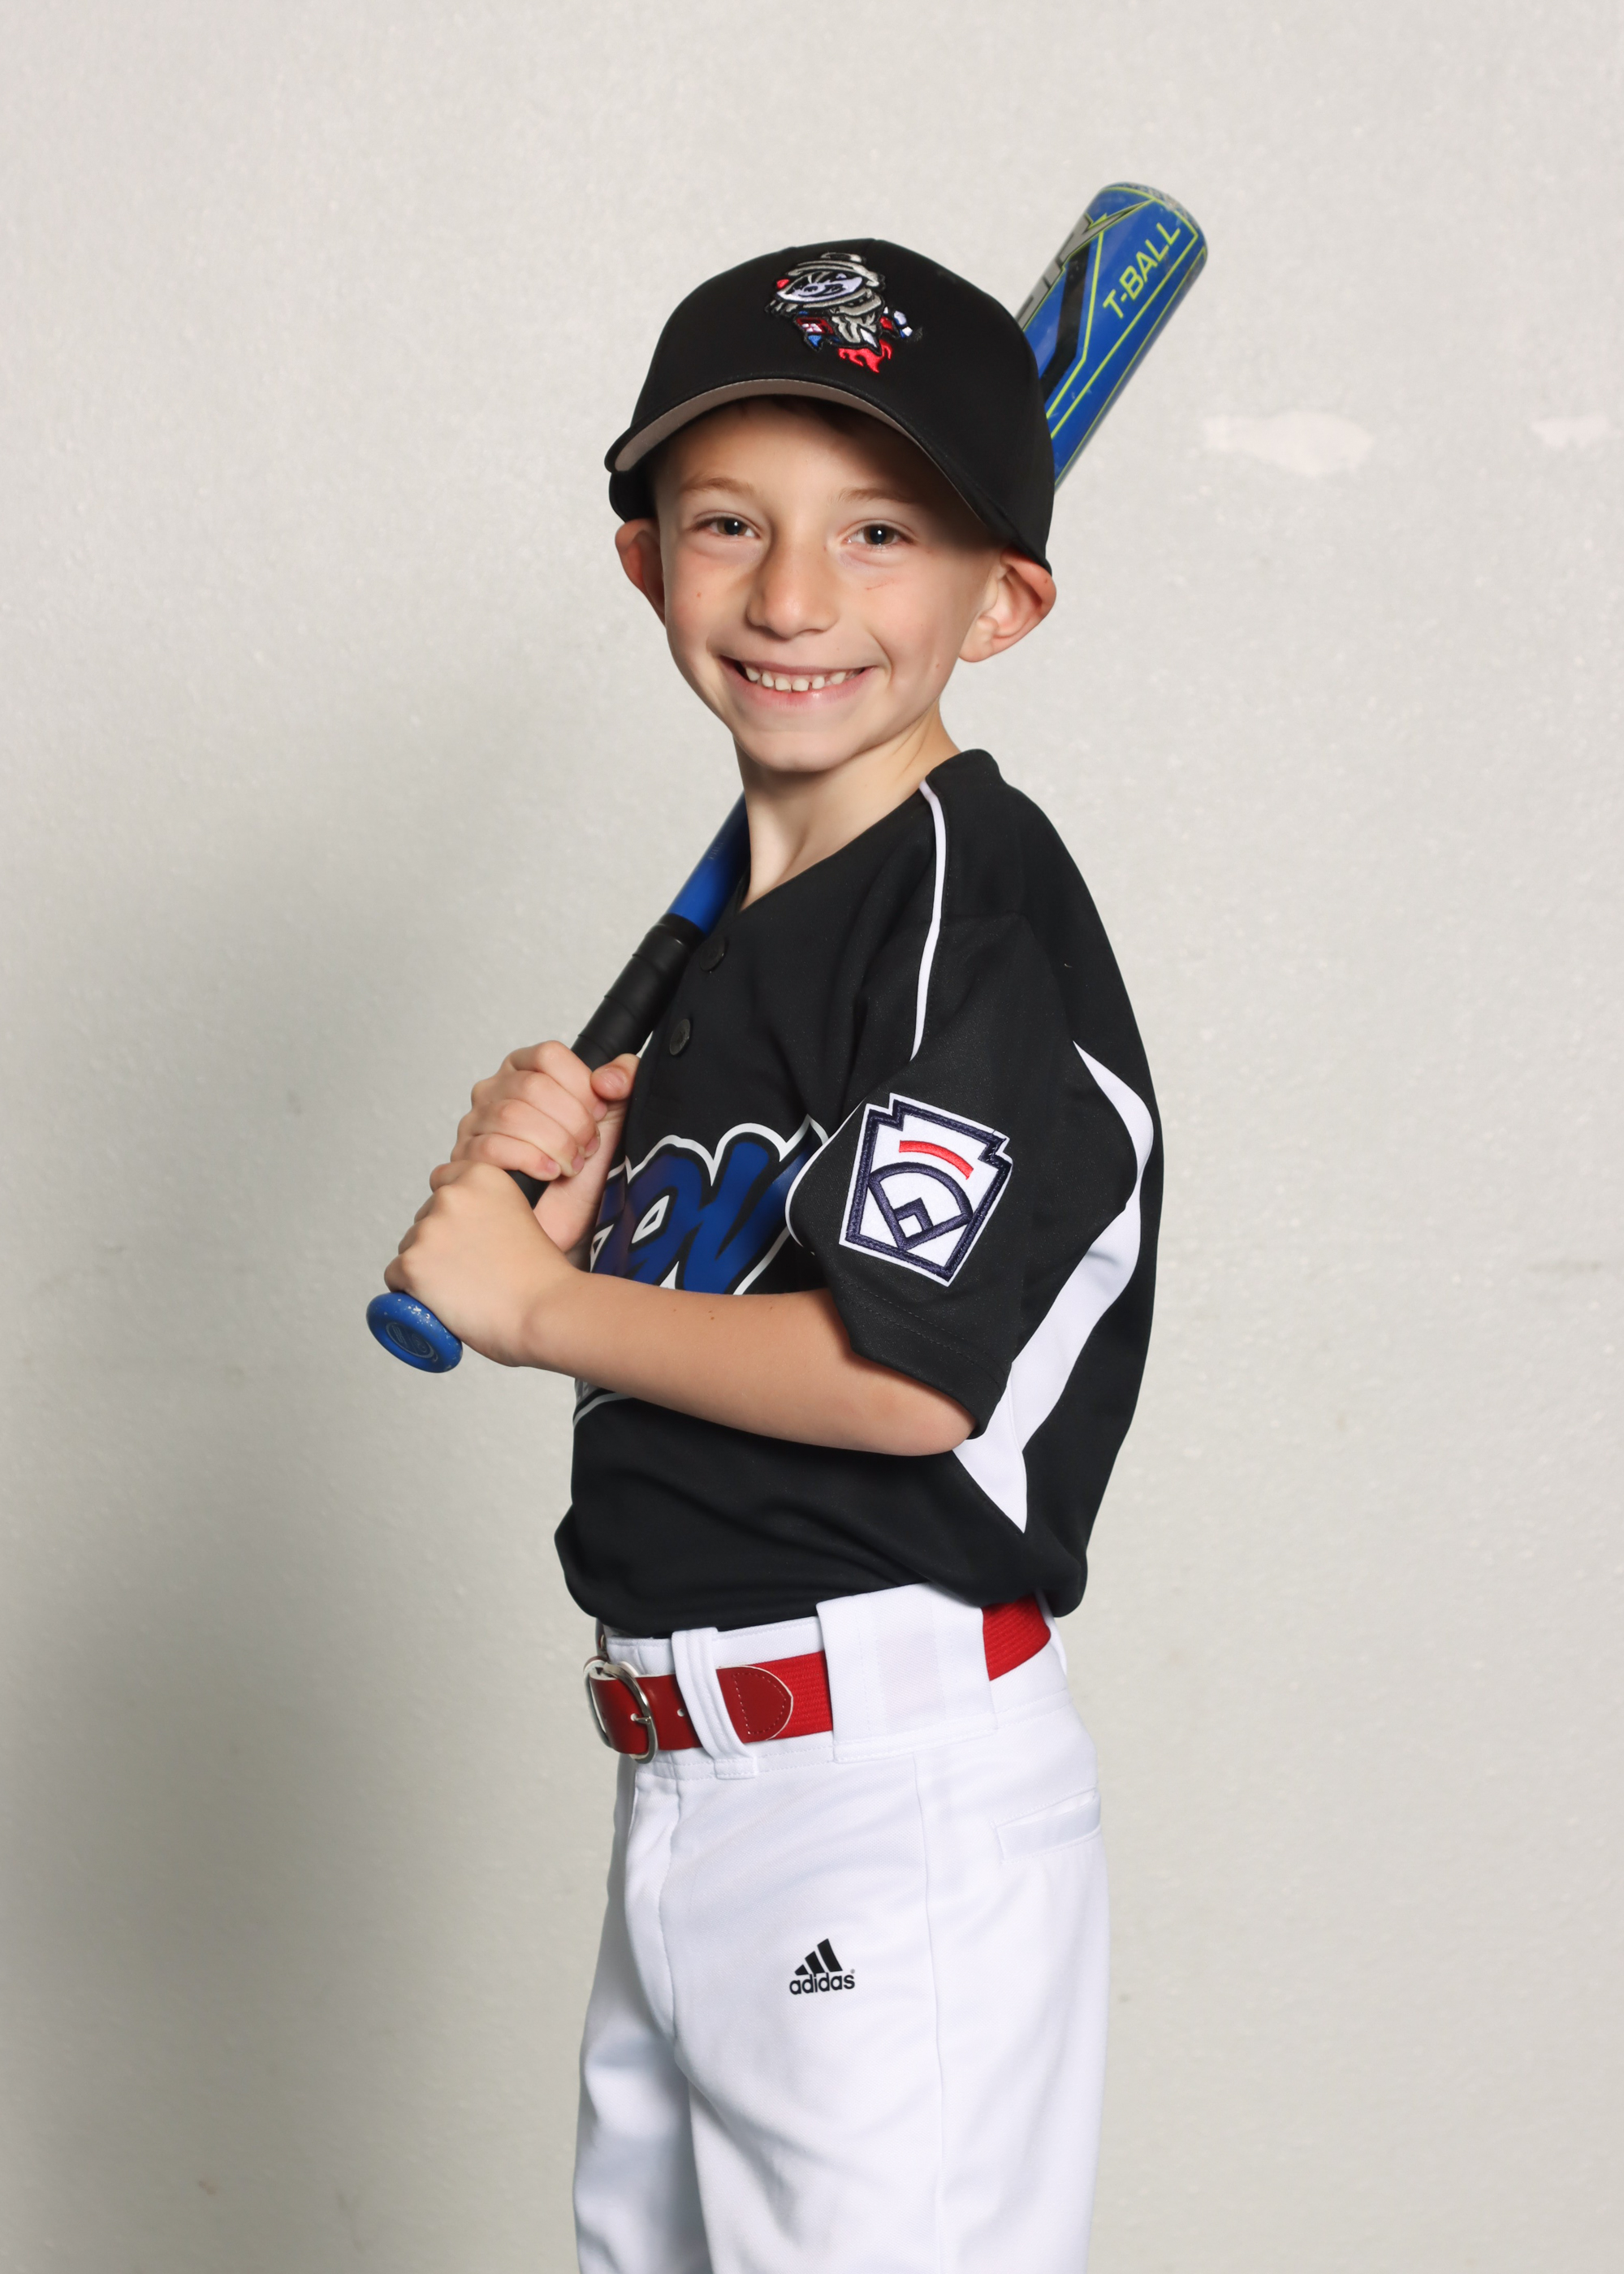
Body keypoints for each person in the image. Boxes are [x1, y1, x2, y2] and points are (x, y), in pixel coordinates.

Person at [383, 237, 1163, 2274]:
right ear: (645, 561)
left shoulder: (964, 916)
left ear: (1003, 600)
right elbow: (731, 1316)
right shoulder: (761, 938)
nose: (795, 595)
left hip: (877, 1791)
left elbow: (898, 1375)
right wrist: (591, 1211)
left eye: (879, 530)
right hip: (689, 1780)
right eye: (730, 522)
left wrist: (535, 1302)